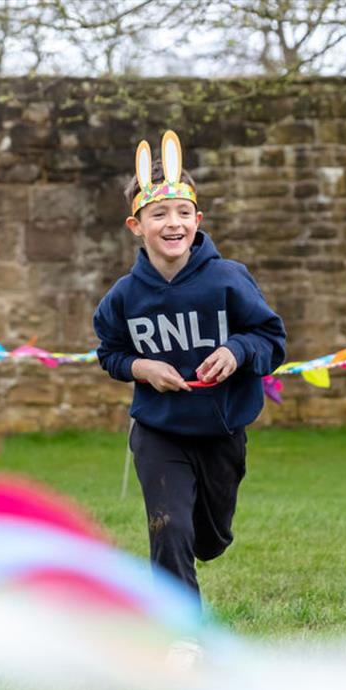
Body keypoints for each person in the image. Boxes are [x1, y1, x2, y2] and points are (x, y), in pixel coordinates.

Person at [93, 130, 287, 635]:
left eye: (182, 212)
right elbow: (109, 352)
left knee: (207, 538)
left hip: (221, 430)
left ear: (197, 220)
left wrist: (237, 350)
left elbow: (271, 339)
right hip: (159, 430)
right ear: (137, 225)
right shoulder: (122, 297)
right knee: (168, 528)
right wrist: (140, 368)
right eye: (159, 214)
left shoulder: (228, 278)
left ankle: (210, 537)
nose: (172, 223)